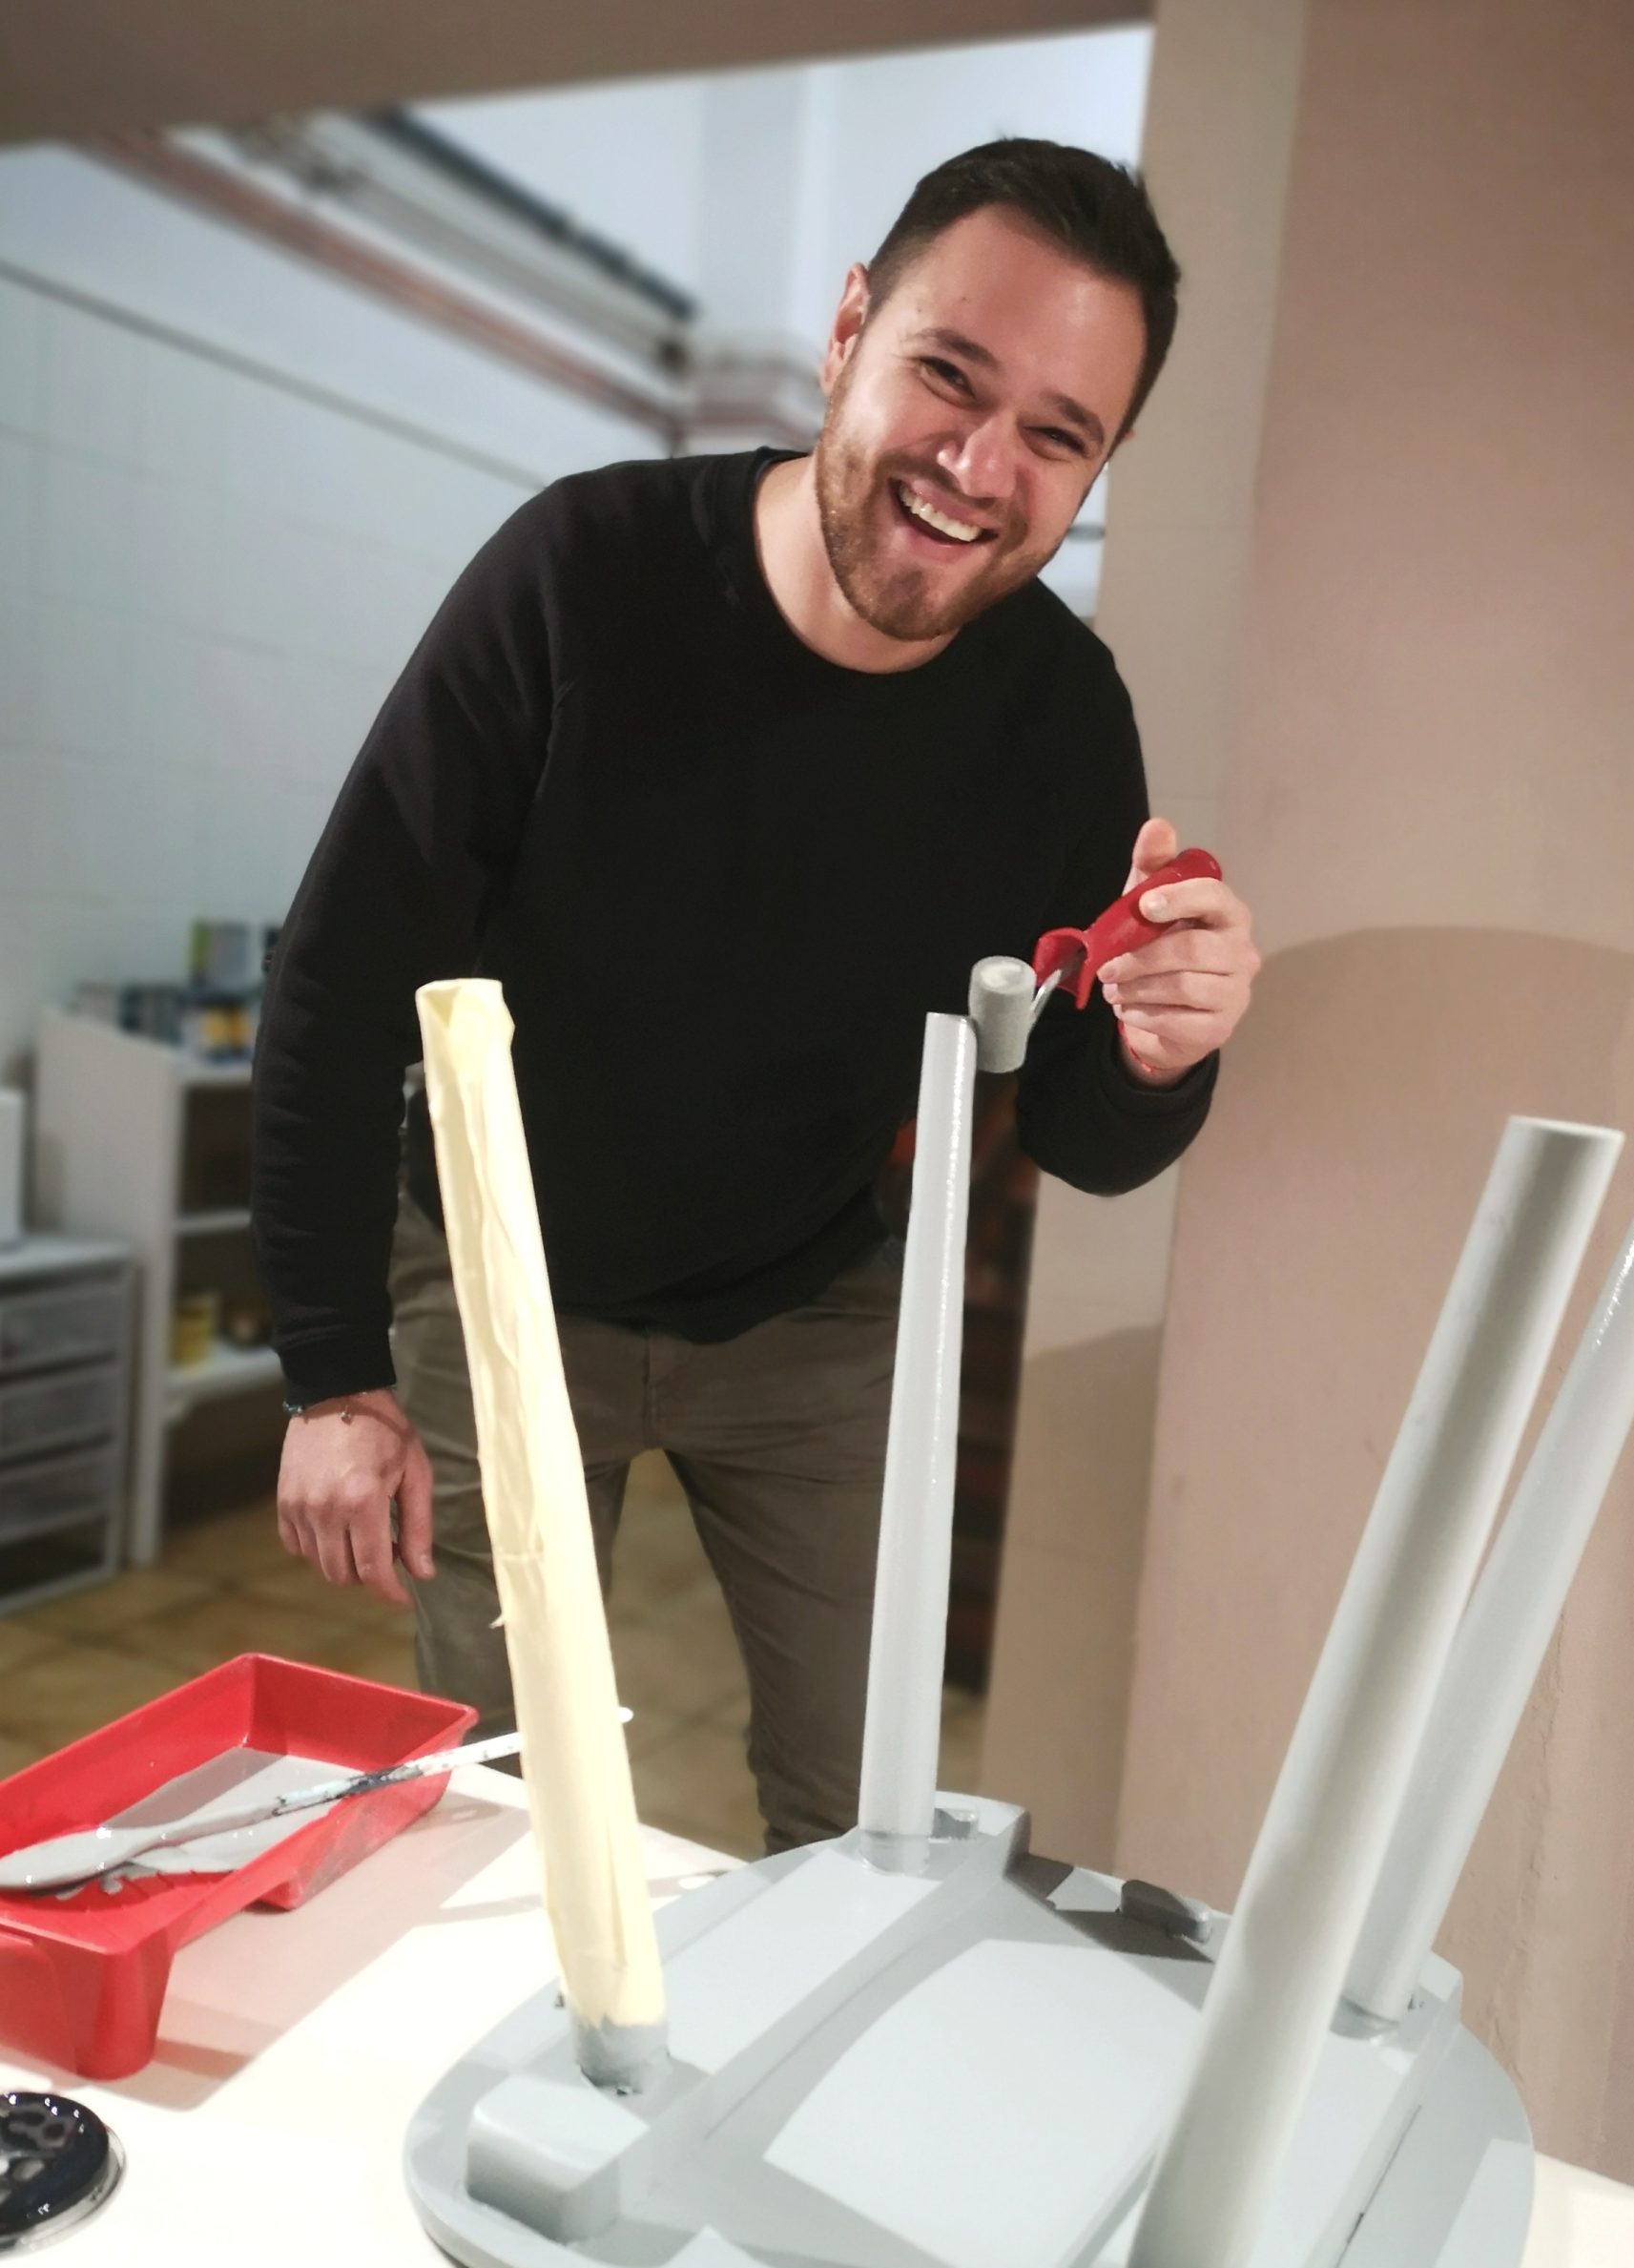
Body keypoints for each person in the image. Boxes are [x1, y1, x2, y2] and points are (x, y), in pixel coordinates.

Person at [253, 137, 1261, 1850]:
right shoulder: (582, 575)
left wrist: (1167, 1048)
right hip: (502, 1286)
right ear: (848, 328)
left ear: (1098, 467)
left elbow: (1088, 1138)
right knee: (500, 1802)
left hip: (811, 1309)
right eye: (951, 375)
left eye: (1056, 435)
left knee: (862, 1815)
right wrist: (333, 1377)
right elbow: (340, 978)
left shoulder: (1061, 717)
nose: (978, 467)